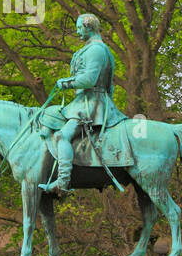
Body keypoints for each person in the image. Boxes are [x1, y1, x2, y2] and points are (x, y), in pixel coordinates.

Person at [38, 14, 128, 196]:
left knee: (63, 136)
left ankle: (62, 182)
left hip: (90, 104)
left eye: (79, 27)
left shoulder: (96, 50)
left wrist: (67, 82)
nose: (77, 31)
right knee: (50, 115)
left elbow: (89, 79)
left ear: (88, 27)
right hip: (83, 102)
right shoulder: (91, 49)